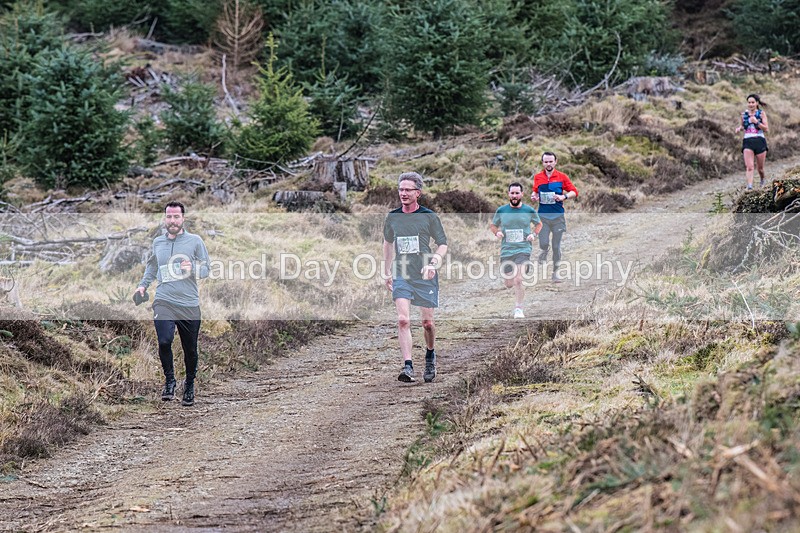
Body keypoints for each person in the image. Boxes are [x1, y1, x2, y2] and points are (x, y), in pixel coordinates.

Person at [136, 201, 210, 406]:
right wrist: (142, 286)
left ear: (183, 218)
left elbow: (207, 269)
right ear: (165, 218)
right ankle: (170, 381)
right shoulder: (158, 242)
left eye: (176, 217)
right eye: (169, 216)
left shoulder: (195, 241)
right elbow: (152, 266)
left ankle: (189, 385)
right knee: (164, 341)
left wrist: (192, 267)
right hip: (164, 300)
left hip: (188, 303)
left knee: (190, 350)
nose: (172, 221)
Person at [383, 172, 448, 383]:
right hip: (401, 273)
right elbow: (387, 243)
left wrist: (433, 263)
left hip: (424, 275)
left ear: (417, 193)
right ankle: (408, 366)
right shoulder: (393, 217)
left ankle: (430, 355)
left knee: (427, 323)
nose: (403, 193)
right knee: (403, 320)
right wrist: (386, 271)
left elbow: (442, 244)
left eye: (408, 190)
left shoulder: (429, 216)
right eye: (400, 189)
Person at [490, 182, 541, 318]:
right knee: (508, 283)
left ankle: (519, 309)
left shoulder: (529, 210)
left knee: (518, 279)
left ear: (522, 194)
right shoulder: (501, 210)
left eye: (517, 193)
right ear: (508, 194)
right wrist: (497, 232)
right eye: (512, 193)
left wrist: (533, 234)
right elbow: (493, 225)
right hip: (507, 250)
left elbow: (539, 224)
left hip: (523, 249)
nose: (514, 195)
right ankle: (518, 279)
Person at [531, 152, 578, 283]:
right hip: (543, 217)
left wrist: (563, 197)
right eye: (546, 162)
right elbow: (535, 191)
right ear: (543, 163)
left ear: (555, 162)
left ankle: (555, 273)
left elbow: (574, 191)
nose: (548, 164)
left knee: (556, 246)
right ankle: (544, 250)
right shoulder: (538, 177)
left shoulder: (562, 177)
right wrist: (534, 196)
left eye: (551, 161)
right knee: (543, 243)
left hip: (558, 217)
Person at [735, 93, 770, 189]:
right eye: (749, 102)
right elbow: (743, 126)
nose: (750, 104)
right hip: (747, 141)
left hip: (759, 141)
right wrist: (739, 128)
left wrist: (756, 122)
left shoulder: (761, 114)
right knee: (749, 167)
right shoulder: (743, 115)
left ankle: (762, 179)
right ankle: (749, 186)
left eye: (753, 102)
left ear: (757, 103)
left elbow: (766, 128)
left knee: (760, 168)